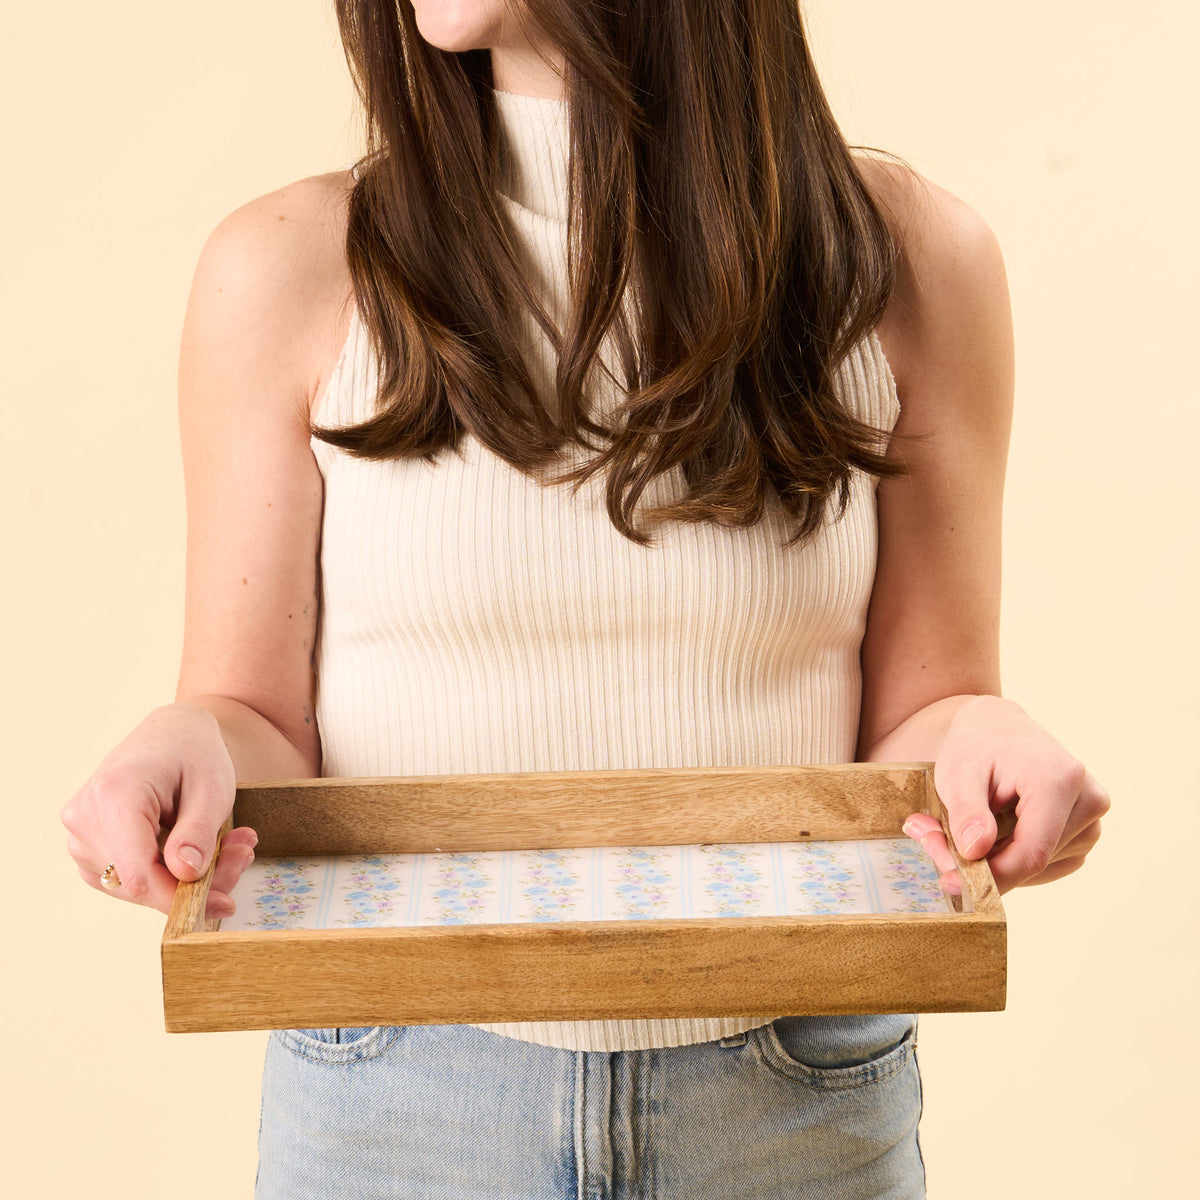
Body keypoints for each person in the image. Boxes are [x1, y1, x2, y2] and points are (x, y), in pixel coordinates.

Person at [61, 1, 1110, 1196]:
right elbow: (253, 716)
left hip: (789, 1098)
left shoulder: (912, 265)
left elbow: (926, 714)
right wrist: (184, 740)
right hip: (396, 1095)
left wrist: (987, 738)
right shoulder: (287, 266)